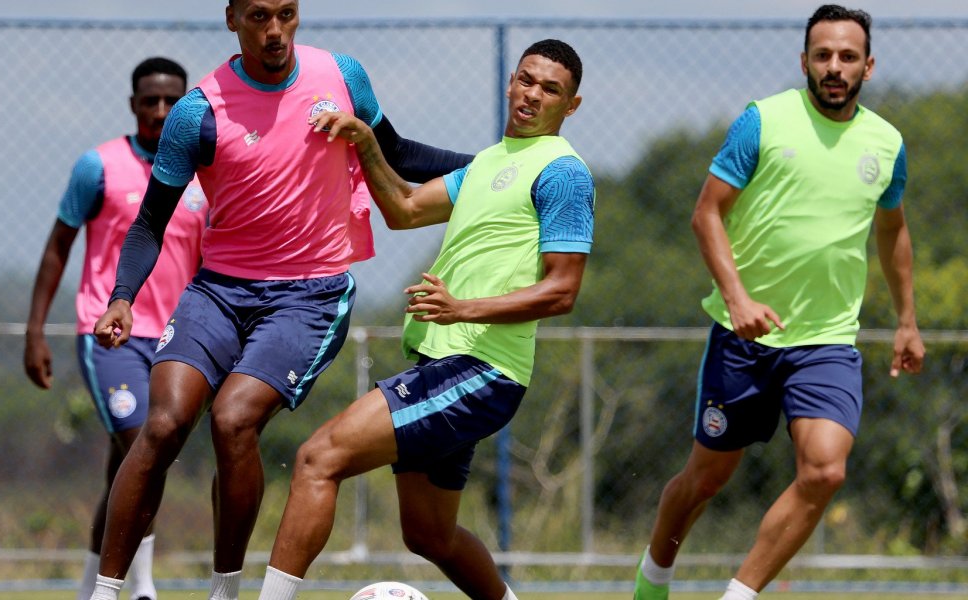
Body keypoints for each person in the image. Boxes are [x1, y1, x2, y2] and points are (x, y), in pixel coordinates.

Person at [87, 2, 473, 600]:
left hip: (309, 296)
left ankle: (225, 589)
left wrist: (494, 168)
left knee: (232, 420)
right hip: (217, 291)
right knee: (162, 425)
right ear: (232, 19)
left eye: (287, 14)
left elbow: (397, 154)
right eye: (260, 16)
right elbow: (149, 223)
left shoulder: (342, 77)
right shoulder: (199, 112)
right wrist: (121, 298)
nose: (275, 31)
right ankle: (106, 593)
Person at [256, 38, 595, 600]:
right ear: (511, 81)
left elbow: (562, 290)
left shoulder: (562, 173)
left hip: (481, 369)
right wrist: (366, 142)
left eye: (551, 89)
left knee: (319, 457)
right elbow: (406, 209)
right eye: (527, 80)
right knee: (429, 534)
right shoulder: (489, 163)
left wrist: (465, 309)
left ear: (571, 106)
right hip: (448, 361)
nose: (534, 95)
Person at [632, 5, 925, 600]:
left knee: (825, 469)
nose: (834, 68)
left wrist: (907, 321)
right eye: (823, 56)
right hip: (743, 337)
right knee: (707, 478)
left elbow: (893, 231)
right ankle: (652, 581)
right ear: (804, 62)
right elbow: (706, 212)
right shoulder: (762, 121)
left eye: (847, 57)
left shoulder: (887, 143)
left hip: (827, 340)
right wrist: (736, 298)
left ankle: (739, 595)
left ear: (868, 66)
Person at [23, 56, 207, 600]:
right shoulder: (97, 167)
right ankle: (144, 588)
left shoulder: (204, 173)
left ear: (186, 105)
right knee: (143, 446)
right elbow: (59, 246)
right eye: (149, 100)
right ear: (133, 104)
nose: (160, 110)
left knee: (123, 469)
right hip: (109, 335)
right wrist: (34, 330)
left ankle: (89, 589)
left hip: (179, 337)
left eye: (172, 100)